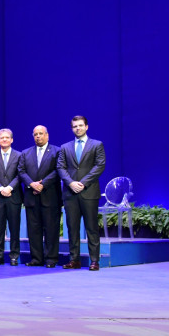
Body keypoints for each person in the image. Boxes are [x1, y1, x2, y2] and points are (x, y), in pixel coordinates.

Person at [57, 115, 106, 271]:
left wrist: (82, 183)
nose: (77, 128)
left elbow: (99, 166)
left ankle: (94, 261)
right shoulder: (65, 147)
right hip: (70, 193)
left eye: (80, 125)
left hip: (89, 192)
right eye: (74, 126)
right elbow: (60, 167)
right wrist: (71, 182)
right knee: (72, 228)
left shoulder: (97, 145)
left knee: (91, 228)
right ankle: (74, 260)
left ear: (86, 127)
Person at [18, 125, 62, 268]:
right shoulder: (26, 153)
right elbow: (21, 171)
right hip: (32, 197)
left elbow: (58, 171)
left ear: (47, 135)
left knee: (51, 229)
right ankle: (36, 258)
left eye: (41, 134)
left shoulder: (57, 151)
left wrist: (43, 184)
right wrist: (32, 184)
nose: (38, 136)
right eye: (36, 134)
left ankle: (51, 259)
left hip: (50, 197)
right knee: (34, 230)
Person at [0, 128, 23, 266]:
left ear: (12, 140)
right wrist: (1, 188)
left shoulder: (20, 156)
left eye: (7, 137)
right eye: (2, 138)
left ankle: (14, 256)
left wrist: (9, 187)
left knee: (14, 228)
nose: (4, 139)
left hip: (14, 196)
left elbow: (20, 174)